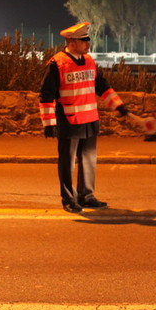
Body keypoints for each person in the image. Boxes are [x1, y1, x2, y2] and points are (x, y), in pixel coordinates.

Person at [39, 22, 130, 213]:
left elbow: (102, 86)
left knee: (89, 160)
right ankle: (68, 198)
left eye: (88, 41)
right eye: (84, 41)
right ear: (72, 43)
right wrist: (49, 123)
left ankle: (86, 196)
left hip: (89, 119)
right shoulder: (57, 63)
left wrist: (118, 106)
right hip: (69, 120)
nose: (88, 44)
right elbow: (46, 94)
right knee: (67, 161)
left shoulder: (89, 61)